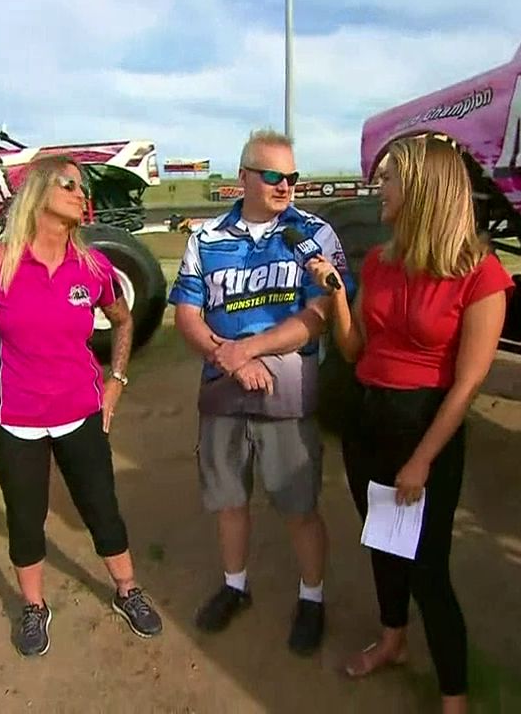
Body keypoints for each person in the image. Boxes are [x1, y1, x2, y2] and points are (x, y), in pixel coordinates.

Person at [303, 134, 513, 713]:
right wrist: (338, 296)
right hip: (367, 420)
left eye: (390, 179)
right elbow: (354, 350)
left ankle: (454, 699)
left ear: (423, 188)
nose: (380, 189)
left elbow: (467, 383)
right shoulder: (380, 261)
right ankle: (392, 640)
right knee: (384, 547)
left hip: (424, 430)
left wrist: (421, 460)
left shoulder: (481, 273)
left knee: (428, 571)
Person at [0, 154, 163, 658]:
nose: (79, 192)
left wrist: (116, 381)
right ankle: (33, 606)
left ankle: (127, 590)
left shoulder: (93, 266)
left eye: (81, 186)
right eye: (69, 184)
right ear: (39, 191)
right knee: (26, 517)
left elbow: (123, 320)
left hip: (80, 410)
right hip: (14, 417)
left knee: (101, 507)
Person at [168, 128, 354, 656]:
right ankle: (235, 587)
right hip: (222, 390)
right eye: (273, 175)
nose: (285, 185)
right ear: (243, 177)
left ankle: (312, 597)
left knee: (298, 505)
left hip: (287, 394)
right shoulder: (205, 238)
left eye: (292, 176)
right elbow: (187, 313)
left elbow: (318, 316)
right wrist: (224, 355)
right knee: (229, 500)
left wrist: (248, 350)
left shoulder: (313, 234)